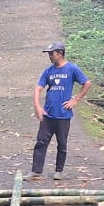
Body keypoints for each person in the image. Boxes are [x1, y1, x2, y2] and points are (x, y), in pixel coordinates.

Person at [30, 41, 90, 181]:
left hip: (63, 114)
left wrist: (76, 99)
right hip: (48, 114)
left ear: (60, 53)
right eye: (49, 54)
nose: (50, 56)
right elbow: (38, 88)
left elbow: (86, 83)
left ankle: (59, 170)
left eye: (52, 53)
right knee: (41, 142)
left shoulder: (72, 69)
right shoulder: (48, 71)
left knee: (62, 144)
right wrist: (38, 106)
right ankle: (36, 171)